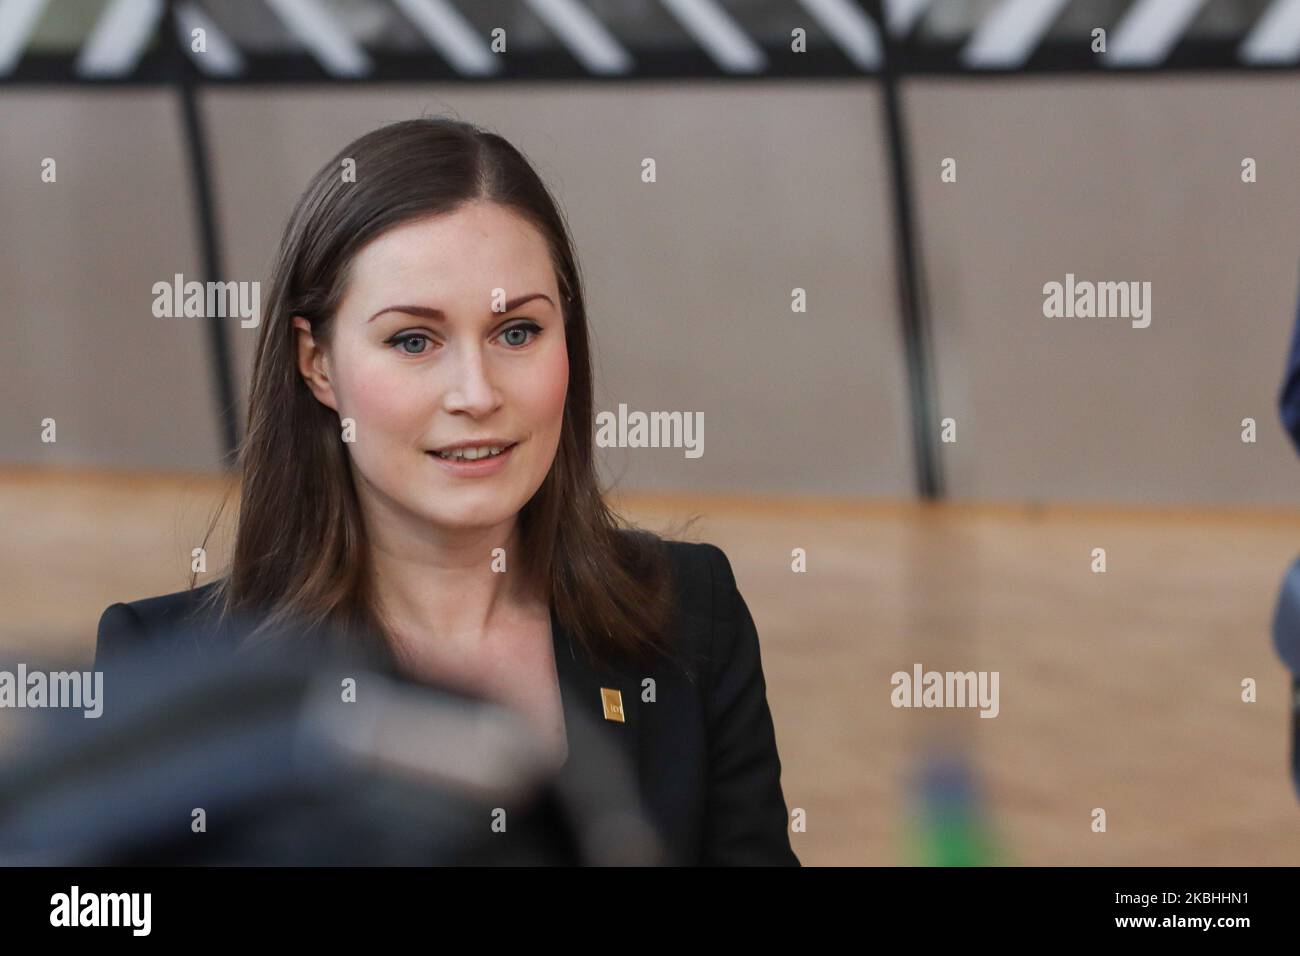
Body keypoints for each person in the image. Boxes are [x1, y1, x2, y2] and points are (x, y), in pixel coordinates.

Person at [95, 117, 799, 866]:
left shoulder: (692, 615)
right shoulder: (167, 670)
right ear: (318, 363)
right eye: (413, 340)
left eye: (517, 332)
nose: (476, 393)